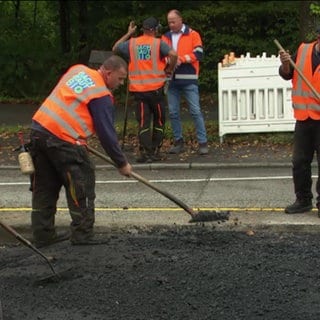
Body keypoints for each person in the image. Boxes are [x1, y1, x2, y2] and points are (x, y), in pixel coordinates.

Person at [28, 55, 132, 247]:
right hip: (64, 140)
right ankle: (82, 235)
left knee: (44, 187)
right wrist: (121, 163)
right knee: (81, 183)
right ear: (108, 73)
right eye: (120, 78)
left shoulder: (77, 70)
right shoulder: (101, 94)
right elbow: (106, 133)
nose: (121, 83)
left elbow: (67, 100)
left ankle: (43, 235)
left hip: (39, 131)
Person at [112, 17, 178, 163]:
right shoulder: (158, 43)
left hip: (139, 91)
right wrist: (169, 68)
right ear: (155, 29)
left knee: (143, 122)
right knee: (159, 120)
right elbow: (173, 55)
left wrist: (129, 33)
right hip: (156, 89)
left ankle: (146, 153)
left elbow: (115, 48)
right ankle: (155, 151)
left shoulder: (132, 44)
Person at [279, 27, 320, 215]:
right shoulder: (303, 50)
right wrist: (286, 63)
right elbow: (287, 74)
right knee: (299, 162)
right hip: (304, 118)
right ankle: (303, 200)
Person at [161, 9, 208, 155]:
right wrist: (170, 61)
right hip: (172, 80)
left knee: (195, 111)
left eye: (173, 21)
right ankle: (178, 142)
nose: (171, 24)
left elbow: (199, 53)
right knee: (174, 112)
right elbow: (162, 55)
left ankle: (202, 142)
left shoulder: (193, 34)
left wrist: (181, 59)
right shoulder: (166, 36)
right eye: (169, 22)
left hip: (189, 79)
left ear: (181, 19)